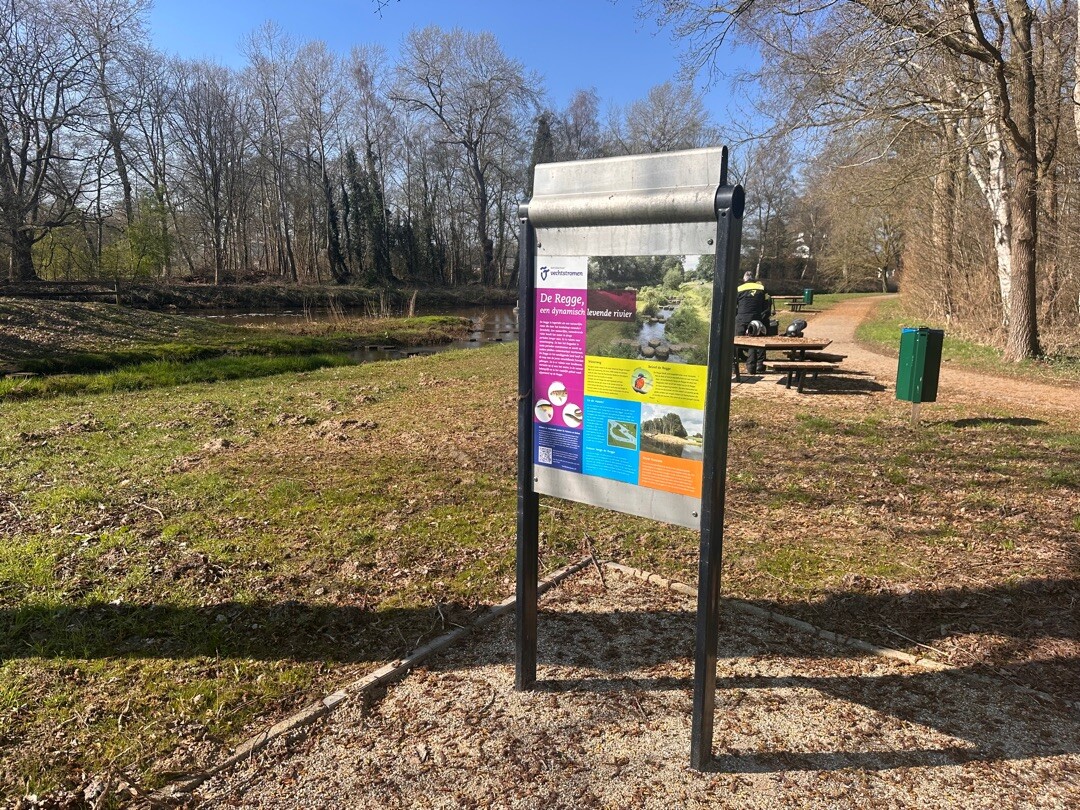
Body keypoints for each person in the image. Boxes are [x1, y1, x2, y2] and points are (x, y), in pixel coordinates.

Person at [735, 271, 772, 375]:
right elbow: (767, 304)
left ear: (744, 279)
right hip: (756, 319)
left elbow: (734, 305)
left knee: (737, 342)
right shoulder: (762, 288)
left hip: (741, 318)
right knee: (755, 343)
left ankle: (734, 367)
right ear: (754, 279)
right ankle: (756, 367)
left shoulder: (739, 289)